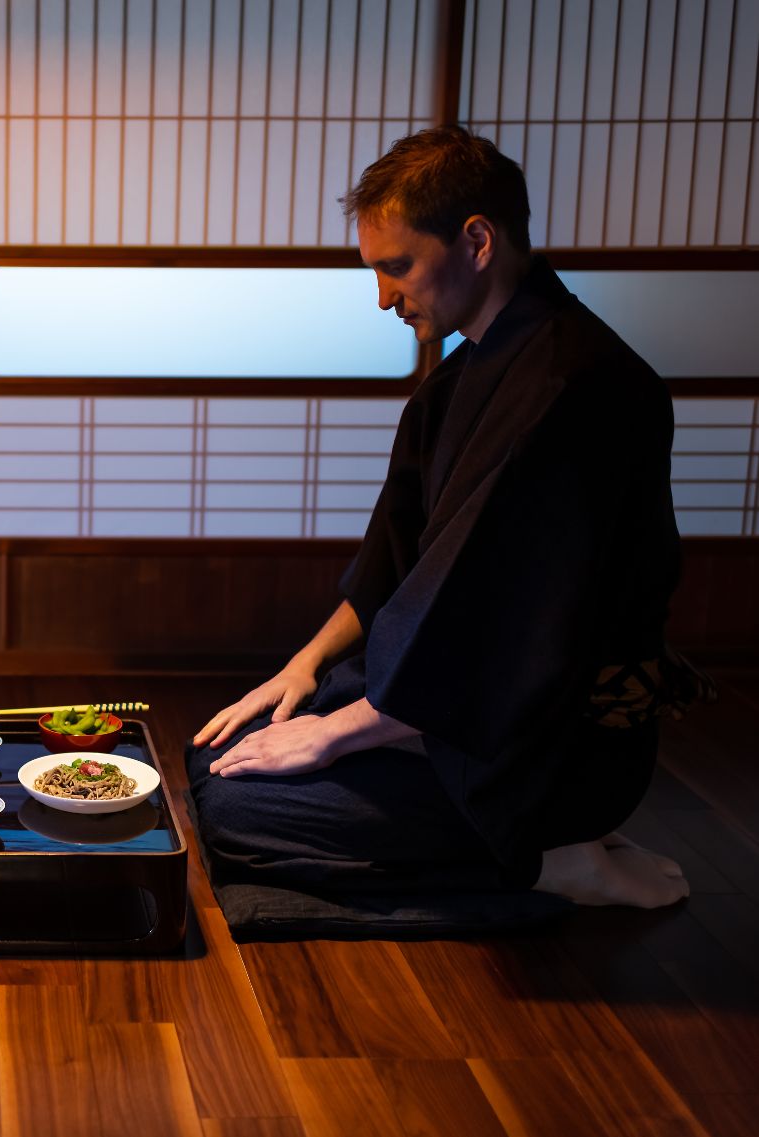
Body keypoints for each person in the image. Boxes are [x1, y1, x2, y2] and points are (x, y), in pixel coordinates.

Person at [187, 126, 701, 910]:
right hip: (454, 705)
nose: (384, 297)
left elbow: (512, 633)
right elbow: (396, 560)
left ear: (476, 241)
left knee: (234, 812)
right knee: (218, 756)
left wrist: (332, 731)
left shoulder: (578, 387)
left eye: (396, 268)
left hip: (551, 745)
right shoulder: (466, 372)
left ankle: (545, 858)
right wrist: (303, 668)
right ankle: (545, 843)